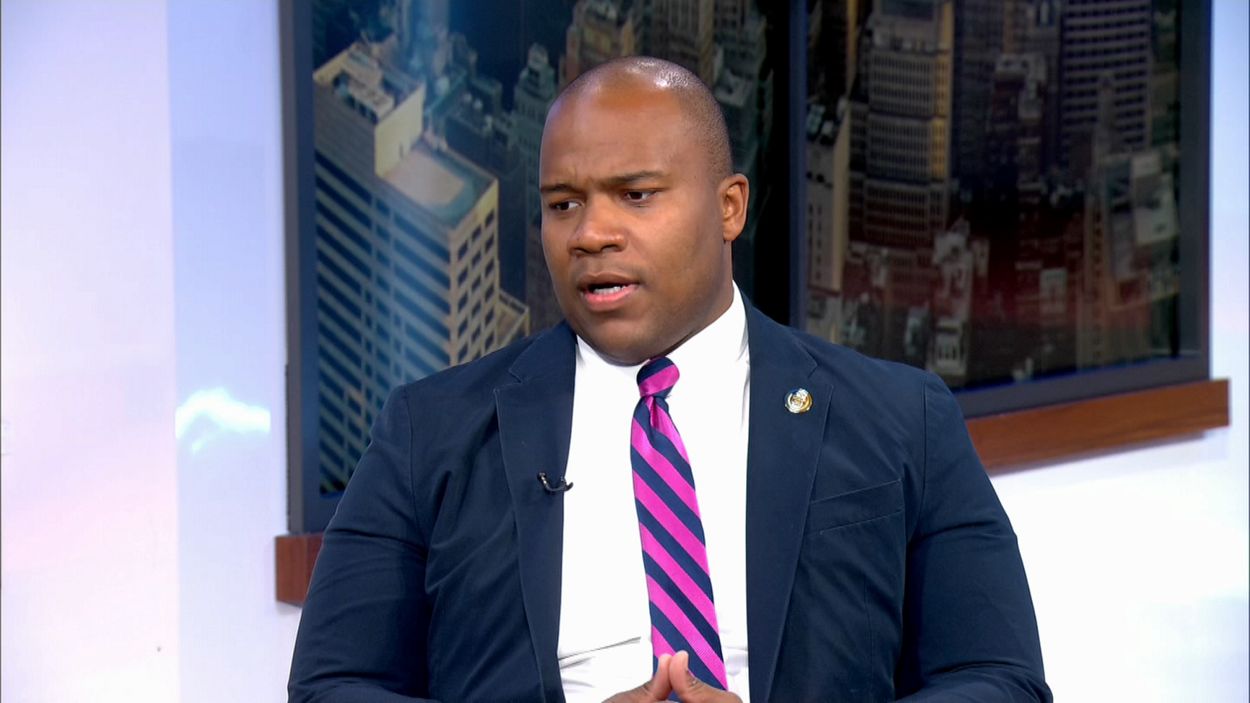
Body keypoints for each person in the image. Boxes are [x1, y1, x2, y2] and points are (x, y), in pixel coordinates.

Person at [288, 56, 1051, 702]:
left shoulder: (902, 418)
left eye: (636, 194)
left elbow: (1001, 679)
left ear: (730, 208)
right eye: (564, 204)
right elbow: (332, 685)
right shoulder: (430, 434)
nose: (591, 233)